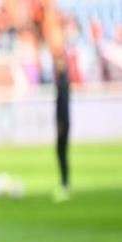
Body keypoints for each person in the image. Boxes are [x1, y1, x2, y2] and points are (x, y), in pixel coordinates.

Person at [53, 50, 71, 202]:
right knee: (61, 153)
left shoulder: (63, 81)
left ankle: (65, 184)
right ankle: (65, 183)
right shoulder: (62, 80)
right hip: (63, 122)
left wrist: (61, 123)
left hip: (63, 123)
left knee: (61, 153)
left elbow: (63, 105)